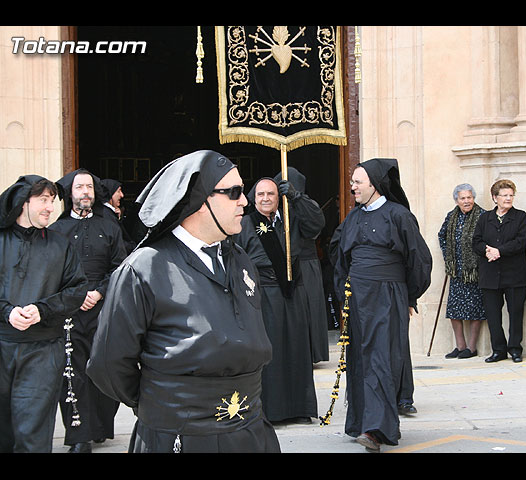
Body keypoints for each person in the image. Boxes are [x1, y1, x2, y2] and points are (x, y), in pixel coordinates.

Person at [87, 150, 280, 453]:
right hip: (179, 435)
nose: (245, 200)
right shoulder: (144, 268)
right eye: (234, 192)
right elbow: (108, 366)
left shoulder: (240, 260)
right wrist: (168, 402)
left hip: (250, 431)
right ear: (200, 201)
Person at [332, 158, 432, 452]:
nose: (352, 188)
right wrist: (343, 295)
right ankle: (362, 423)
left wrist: (408, 296)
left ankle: (377, 430)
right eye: (352, 183)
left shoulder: (399, 215)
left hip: (387, 298)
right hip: (357, 298)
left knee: (381, 360)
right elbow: (341, 259)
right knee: (360, 360)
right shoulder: (353, 217)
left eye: (357, 183)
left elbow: (419, 260)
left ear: (374, 185)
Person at [0, 175, 88, 453]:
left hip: (44, 349)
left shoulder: (61, 244)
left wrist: (42, 310)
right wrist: (6, 312)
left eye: (52, 201)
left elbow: (77, 290)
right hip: (1, 346)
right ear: (23, 203)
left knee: (32, 432)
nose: (50, 207)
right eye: (43, 200)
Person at [49, 169, 128, 453]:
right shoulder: (56, 231)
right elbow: (51, 274)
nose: (85, 192)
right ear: (70, 193)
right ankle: (79, 435)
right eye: (80, 187)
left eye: (90, 187)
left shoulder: (109, 228)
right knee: (73, 374)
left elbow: (120, 266)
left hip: (103, 308)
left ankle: (101, 427)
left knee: (104, 369)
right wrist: (76, 296)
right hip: (69, 311)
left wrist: (99, 292)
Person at [236, 174, 324, 424]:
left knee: (296, 349)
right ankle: (270, 411)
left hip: (293, 293)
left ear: (279, 198)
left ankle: (299, 407)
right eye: (261, 194)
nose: (266, 198)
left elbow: (317, 223)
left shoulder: (290, 218)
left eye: (271, 194)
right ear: (253, 199)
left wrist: (297, 198)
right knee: (270, 354)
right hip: (263, 295)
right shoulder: (244, 224)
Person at [274, 167, 329, 363]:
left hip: (305, 265)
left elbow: (316, 224)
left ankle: (309, 352)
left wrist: (295, 197)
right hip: (280, 265)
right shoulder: (274, 209)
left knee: (307, 310)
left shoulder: (306, 205)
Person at [472, 179, 526, 363]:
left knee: (516, 313)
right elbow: (476, 241)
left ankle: (515, 349)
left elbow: (520, 242)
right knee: (493, 315)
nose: (508, 198)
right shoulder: (484, 217)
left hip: (514, 274)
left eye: (511, 195)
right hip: (490, 274)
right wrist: (487, 251)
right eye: (504, 195)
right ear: (495, 198)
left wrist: (499, 251)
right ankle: (498, 349)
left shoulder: (520, 216)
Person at [438, 184, 486, 359]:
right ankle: (460, 346)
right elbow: (441, 235)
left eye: (469, 197)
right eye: (463, 198)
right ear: (456, 200)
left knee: (475, 309)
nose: (466, 201)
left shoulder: (482, 216)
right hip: (456, 271)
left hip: (474, 270)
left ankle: (472, 348)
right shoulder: (452, 216)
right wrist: (448, 256)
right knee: (454, 310)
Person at [100, 178, 137, 253]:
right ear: (110, 193)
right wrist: (133, 248)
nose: (122, 195)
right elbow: (116, 242)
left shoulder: (107, 213)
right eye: (118, 191)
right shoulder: (106, 215)